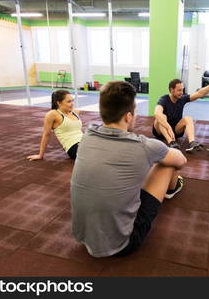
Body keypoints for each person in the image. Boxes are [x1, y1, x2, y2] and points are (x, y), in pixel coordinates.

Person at [71, 81, 187, 257]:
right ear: (128, 117)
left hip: (83, 236)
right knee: (166, 164)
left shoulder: (87, 136)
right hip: (122, 244)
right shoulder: (144, 146)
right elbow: (181, 161)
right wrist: (165, 151)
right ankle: (172, 189)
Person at [153, 78, 209, 152]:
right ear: (172, 90)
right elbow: (157, 113)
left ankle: (192, 142)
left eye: (182, 90)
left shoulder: (182, 98)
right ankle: (170, 142)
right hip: (161, 131)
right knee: (161, 117)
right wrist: (168, 128)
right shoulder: (164, 99)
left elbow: (199, 93)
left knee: (188, 118)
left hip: (176, 130)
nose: (182, 92)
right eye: (179, 90)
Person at [27, 90, 82, 160]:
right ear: (59, 103)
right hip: (73, 147)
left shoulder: (75, 112)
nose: (72, 103)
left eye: (72, 101)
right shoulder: (53, 114)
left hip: (84, 142)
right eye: (69, 101)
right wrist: (40, 155)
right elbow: (46, 134)